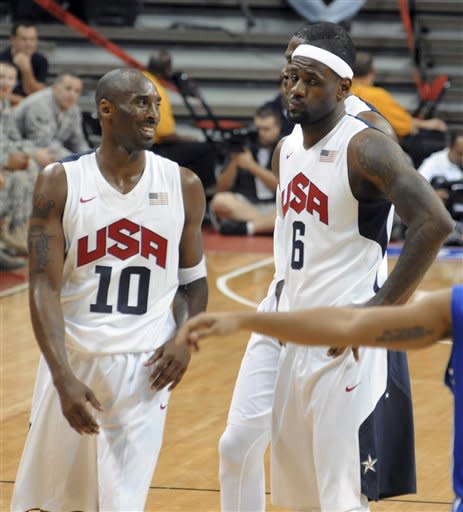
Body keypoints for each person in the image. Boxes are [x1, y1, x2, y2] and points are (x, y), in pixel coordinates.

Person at [228, 22, 453, 512]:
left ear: (342, 83)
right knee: (239, 446)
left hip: (341, 317)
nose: (295, 86)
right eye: (290, 73)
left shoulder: (368, 140)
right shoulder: (289, 143)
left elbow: (434, 223)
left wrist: (376, 312)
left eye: (308, 75)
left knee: (338, 483)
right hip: (283, 308)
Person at [10, 68, 209, 512]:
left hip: (145, 367)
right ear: (106, 109)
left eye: (156, 103)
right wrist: (61, 376)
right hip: (73, 358)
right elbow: (43, 287)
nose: (153, 113)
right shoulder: (59, 182)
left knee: (121, 502)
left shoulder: (184, 185)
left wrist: (184, 338)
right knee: (48, 503)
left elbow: (193, 283)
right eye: (141, 102)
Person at [177, 286, 463, 512]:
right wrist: (244, 320)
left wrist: (241, 321)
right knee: (305, 493)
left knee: (340, 495)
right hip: (297, 308)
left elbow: (350, 323)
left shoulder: (456, 308)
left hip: (334, 346)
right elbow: (349, 323)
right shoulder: (455, 308)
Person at [351, 51, 448, 167]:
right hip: (377, 151)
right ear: (372, 71)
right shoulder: (377, 95)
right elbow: (406, 128)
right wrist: (427, 124)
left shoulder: (342, 91)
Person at [143, 50, 218, 190]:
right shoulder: (156, 90)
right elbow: (165, 134)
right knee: (206, 149)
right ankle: (205, 194)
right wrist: (186, 138)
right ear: (167, 69)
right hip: (153, 149)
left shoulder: (142, 81)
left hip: (139, 146)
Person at [210, 104, 281, 236]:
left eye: (266, 129)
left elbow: (281, 186)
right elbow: (221, 188)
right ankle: (266, 226)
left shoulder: (284, 147)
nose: (261, 134)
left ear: (277, 128)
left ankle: (249, 228)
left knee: (293, 209)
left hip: (275, 205)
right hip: (247, 205)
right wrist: (234, 162)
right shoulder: (244, 144)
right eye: (258, 128)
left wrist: (251, 166)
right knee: (219, 201)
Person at [13, 73, 90, 160]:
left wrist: (88, 158)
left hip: (45, 149)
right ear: (55, 88)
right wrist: (75, 161)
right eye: (68, 89)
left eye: (77, 91)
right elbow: (43, 143)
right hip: (15, 147)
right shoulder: (40, 105)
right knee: (47, 158)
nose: (72, 94)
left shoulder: (73, 109)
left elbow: (78, 142)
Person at [418, 129, 463, 246]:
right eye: (460, 154)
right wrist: (433, 193)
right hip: (444, 213)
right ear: (450, 147)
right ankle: (446, 233)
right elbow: (416, 186)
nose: (462, 158)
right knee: (436, 198)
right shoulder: (434, 161)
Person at [0, 23, 48, 105]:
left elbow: (39, 94)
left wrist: (26, 70)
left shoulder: (41, 61)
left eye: (32, 39)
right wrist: (23, 102)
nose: (29, 44)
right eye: (24, 39)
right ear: (13, 40)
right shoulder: (2, 59)